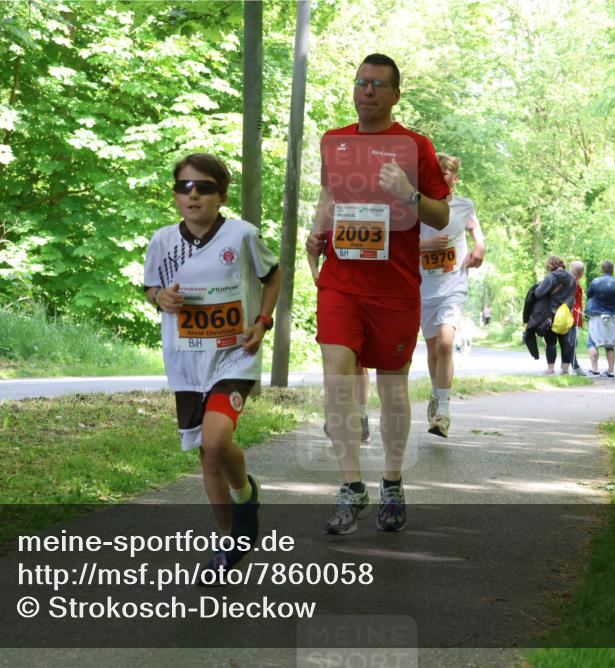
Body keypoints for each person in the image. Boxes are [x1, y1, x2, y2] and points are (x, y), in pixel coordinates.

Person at [306, 53, 450, 535]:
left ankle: (391, 482)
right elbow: (329, 197)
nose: (366, 90)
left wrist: (409, 192)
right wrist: (317, 234)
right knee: (337, 373)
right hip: (341, 281)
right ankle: (351, 485)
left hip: (395, 288)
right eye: (361, 82)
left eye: (377, 84)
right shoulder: (335, 141)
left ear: (394, 95)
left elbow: (441, 217)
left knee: (391, 391)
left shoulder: (416, 146)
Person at [144, 153, 282, 574]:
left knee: (216, 441)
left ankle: (245, 495)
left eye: (204, 187)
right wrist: (159, 298)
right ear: (175, 195)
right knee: (206, 457)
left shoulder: (241, 235)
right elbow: (151, 288)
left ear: (221, 196)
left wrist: (262, 322)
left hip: (234, 357)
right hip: (186, 363)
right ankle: (228, 545)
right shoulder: (162, 241)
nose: (193, 195)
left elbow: (273, 275)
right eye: (185, 187)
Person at [419, 153, 485, 437]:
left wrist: (479, 246)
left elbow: (474, 227)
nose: (439, 177)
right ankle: (436, 393)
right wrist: (427, 245)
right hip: (423, 288)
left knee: (446, 344)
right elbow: (400, 243)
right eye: (434, 172)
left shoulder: (463, 205)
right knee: (433, 349)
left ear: (454, 178)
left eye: (444, 173)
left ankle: (443, 412)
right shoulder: (417, 205)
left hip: (453, 286)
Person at [533, 256, 577, 375]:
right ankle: (565, 370)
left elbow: (538, 293)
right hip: (566, 314)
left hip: (551, 313)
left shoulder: (551, 277)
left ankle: (551, 369)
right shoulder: (572, 278)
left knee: (551, 342)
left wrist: (540, 285)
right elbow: (573, 296)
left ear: (551, 265)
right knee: (565, 342)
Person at [585, 260, 615, 378]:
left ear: (601, 269)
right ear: (612, 270)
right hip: (613, 315)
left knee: (592, 342)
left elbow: (589, 294)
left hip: (597, 315)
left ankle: (594, 370)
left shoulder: (596, 282)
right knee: (609, 345)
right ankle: (610, 372)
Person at [568, 261, 586, 376]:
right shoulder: (572, 282)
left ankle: (570, 365)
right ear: (581, 273)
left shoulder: (572, 281)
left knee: (571, 341)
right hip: (571, 316)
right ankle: (574, 366)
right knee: (572, 341)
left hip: (573, 315)